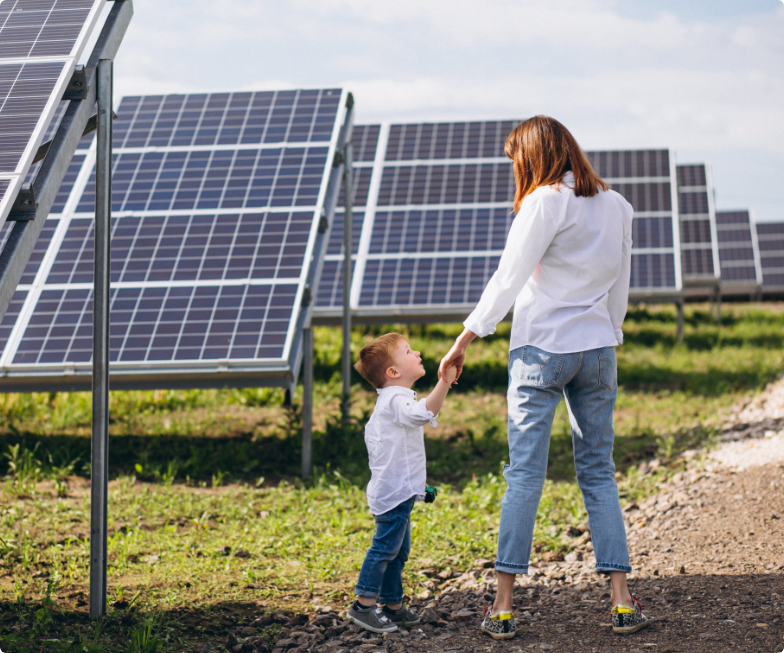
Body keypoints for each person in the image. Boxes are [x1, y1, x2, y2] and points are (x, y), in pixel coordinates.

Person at [438, 116, 648, 639]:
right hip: (598, 349)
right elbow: (620, 281)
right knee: (599, 471)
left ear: (532, 156)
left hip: (541, 350)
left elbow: (509, 275)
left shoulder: (544, 200)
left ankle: (503, 607)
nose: (515, 169)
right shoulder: (617, 205)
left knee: (525, 475)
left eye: (516, 159)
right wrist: (611, 331)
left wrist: (466, 338)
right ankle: (622, 601)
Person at [347, 333, 457, 633]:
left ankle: (393, 605)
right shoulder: (395, 400)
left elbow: (402, 456)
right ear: (393, 373)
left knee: (398, 552)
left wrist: (421, 490)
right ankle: (363, 605)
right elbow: (424, 413)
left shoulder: (395, 400)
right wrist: (444, 382)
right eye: (409, 351)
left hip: (400, 493)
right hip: (393, 496)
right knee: (385, 550)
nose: (417, 353)